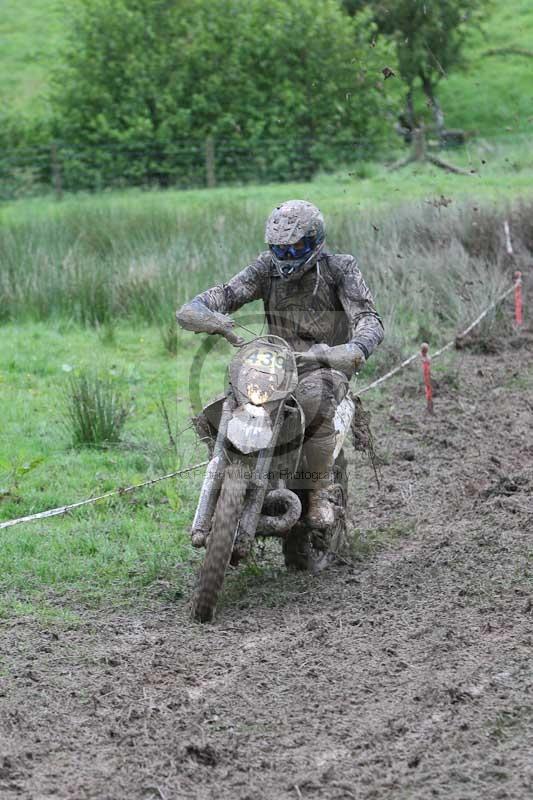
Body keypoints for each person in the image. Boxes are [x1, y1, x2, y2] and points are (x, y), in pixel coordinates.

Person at [176, 199, 384, 529]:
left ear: (315, 240)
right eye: (279, 249)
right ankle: (229, 473)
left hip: (324, 364)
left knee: (314, 400)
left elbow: (369, 319)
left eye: (295, 248)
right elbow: (220, 295)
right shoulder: (265, 269)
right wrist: (212, 318)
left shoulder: (339, 268)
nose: (286, 257)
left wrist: (352, 348)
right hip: (275, 364)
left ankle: (316, 493)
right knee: (224, 405)